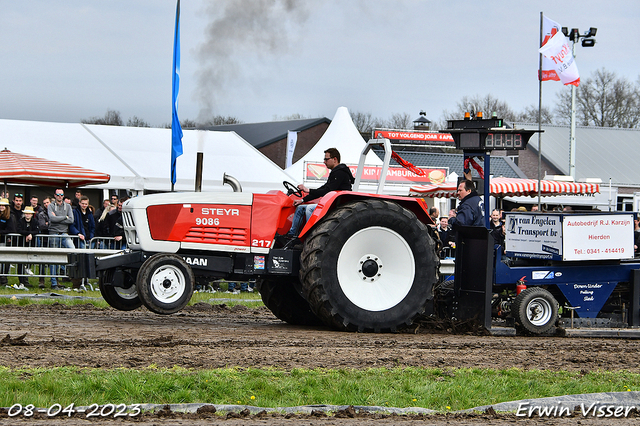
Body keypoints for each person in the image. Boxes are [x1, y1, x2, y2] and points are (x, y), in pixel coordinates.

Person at [285, 148, 354, 238]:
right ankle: (291, 235)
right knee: (300, 208)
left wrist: (308, 190)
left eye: (326, 159)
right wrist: (302, 199)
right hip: (333, 203)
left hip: (337, 205)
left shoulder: (340, 173)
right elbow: (324, 188)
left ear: (335, 159)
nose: (324, 162)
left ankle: (310, 236)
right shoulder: (336, 172)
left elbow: (327, 191)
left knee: (309, 209)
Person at [48, 189, 75, 289]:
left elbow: (71, 220)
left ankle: (72, 278)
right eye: (58, 194)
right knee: (53, 258)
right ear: (55, 195)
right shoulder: (51, 205)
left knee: (74, 252)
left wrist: (58, 218)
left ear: (63, 196)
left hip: (64, 233)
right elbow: (52, 219)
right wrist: (65, 217)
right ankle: (54, 282)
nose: (60, 196)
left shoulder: (68, 206)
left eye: (61, 194)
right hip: (53, 233)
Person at [17, 206, 40, 287]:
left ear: (32, 214)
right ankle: (21, 280)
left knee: (28, 263)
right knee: (20, 263)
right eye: (26, 213)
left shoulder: (35, 221)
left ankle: (26, 280)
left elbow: (37, 230)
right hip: (21, 244)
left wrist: (30, 234)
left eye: (29, 213)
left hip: (31, 245)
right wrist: (28, 234)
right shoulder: (20, 221)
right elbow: (19, 230)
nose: (27, 215)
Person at [0, 198, 17, 285]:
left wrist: (1, 232)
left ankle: (3, 279)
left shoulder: (10, 216)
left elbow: (11, 229)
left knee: (4, 261)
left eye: (3, 205)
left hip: (4, 241)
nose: (2, 207)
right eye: (1, 205)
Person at [36, 196, 51, 288]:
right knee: (42, 260)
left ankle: (55, 279)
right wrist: (51, 223)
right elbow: (42, 226)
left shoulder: (55, 212)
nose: (46, 204)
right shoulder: (41, 214)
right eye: (44, 203)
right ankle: (41, 280)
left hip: (53, 238)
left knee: (54, 260)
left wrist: (48, 223)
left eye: (47, 202)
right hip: (44, 239)